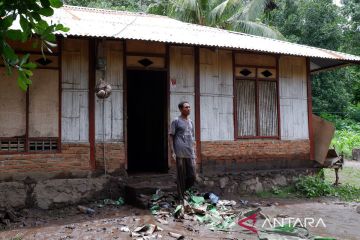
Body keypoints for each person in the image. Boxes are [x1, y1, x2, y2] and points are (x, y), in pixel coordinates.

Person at [169, 101, 196, 199]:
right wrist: (172, 151)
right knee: (181, 174)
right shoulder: (176, 121)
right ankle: (180, 197)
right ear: (180, 109)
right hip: (179, 150)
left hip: (190, 151)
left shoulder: (191, 122)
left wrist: (194, 151)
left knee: (192, 176)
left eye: (189, 107)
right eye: (186, 107)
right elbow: (171, 136)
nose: (188, 109)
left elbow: (193, 137)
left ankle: (182, 190)